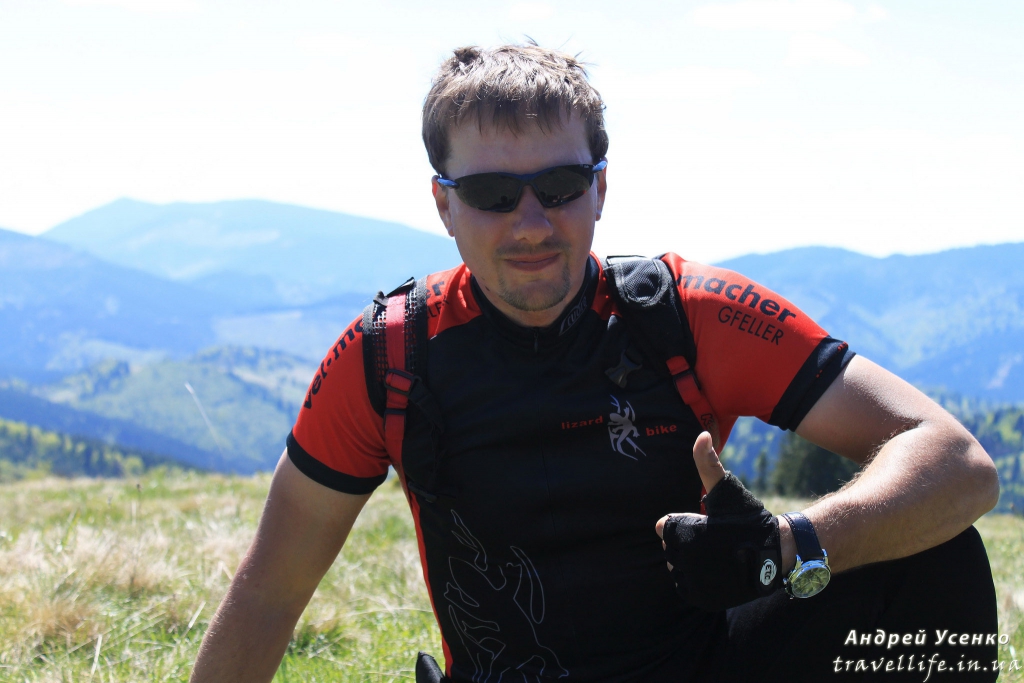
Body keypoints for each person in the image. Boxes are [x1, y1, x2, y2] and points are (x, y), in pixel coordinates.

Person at [189, 44, 1001, 682]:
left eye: (560, 185)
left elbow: (957, 462)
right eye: (493, 194)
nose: (531, 223)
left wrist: (790, 543)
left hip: (706, 664)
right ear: (443, 203)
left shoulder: (687, 316)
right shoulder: (389, 354)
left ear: (601, 189)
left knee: (940, 552)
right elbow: (269, 592)